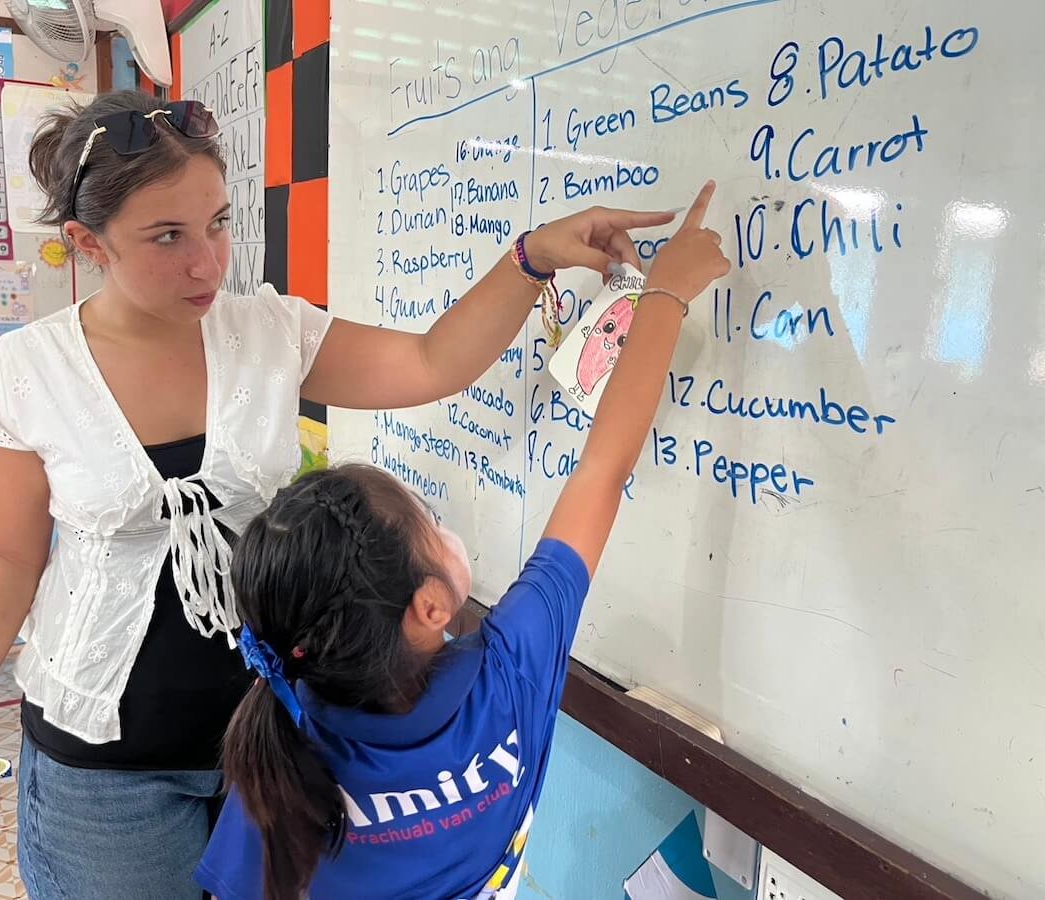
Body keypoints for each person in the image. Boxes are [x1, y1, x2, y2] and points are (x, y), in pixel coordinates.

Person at [0, 89, 683, 898]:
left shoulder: (265, 333)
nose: (207, 262)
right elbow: (8, 558)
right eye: (167, 237)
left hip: (279, 744)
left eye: (219, 223)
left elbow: (434, 362)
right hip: (106, 776)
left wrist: (533, 255)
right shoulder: (21, 373)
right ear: (89, 242)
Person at [196, 183, 729, 900]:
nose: (445, 527)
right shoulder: (510, 673)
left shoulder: (282, 756)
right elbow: (604, 469)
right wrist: (666, 295)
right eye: (431, 525)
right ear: (429, 608)